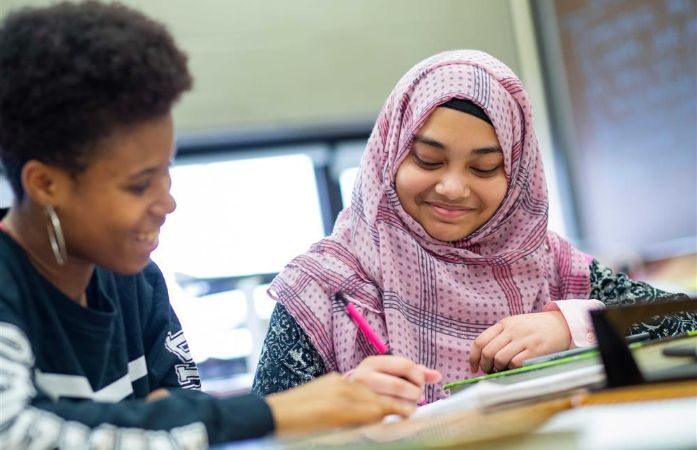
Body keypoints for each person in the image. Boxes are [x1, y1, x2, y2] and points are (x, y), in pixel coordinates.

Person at [0, 2, 417, 448]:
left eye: (166, 172)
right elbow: (16, 432)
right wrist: (267, 412)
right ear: (45, 184)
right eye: (139, 186)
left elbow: (182, 427)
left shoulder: (137, 283)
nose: (168, 203)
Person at [252, 49, 696, 403]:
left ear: (517, 176)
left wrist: (574, 324)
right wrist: (338, 404)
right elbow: (261, 434)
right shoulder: (325, 287)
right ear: (389, 155)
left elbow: (686, 320)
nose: (451, 187)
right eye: (428, 160)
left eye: (484, 169)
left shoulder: (552, 268)